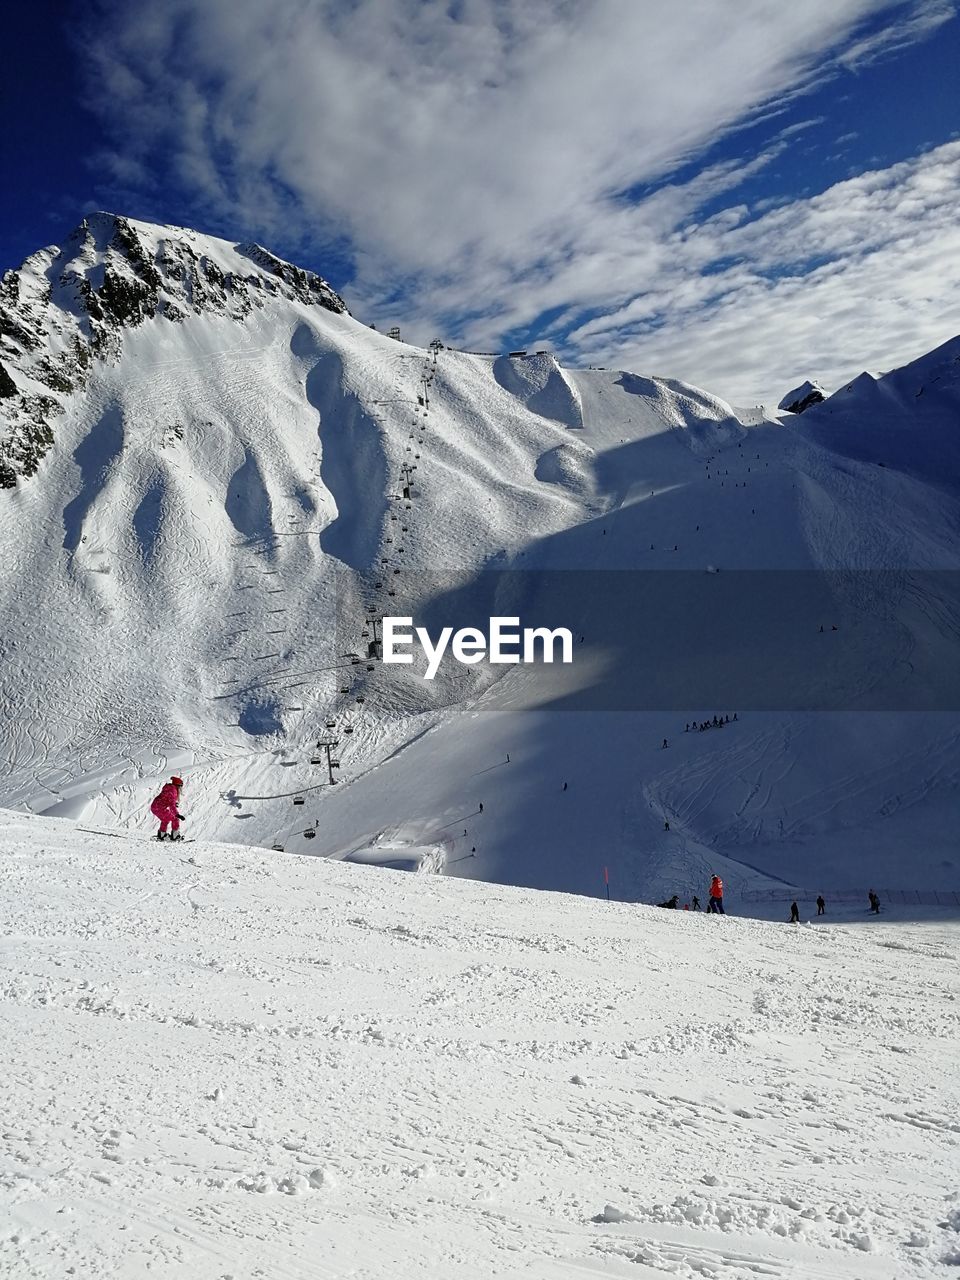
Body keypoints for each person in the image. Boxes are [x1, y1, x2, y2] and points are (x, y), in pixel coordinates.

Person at [150, 775, 184, 841]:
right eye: (180, 786)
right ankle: (175, 836)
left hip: (155, 806)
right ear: (177, 785)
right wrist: (177, 814)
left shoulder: (169, 787)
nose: (180, 788)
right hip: (159, 808)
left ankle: (162, 835)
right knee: (175, 819)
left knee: (165, 819)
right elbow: (171, 805)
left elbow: (166, 799)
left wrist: (173, 803)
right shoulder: (173, 791)